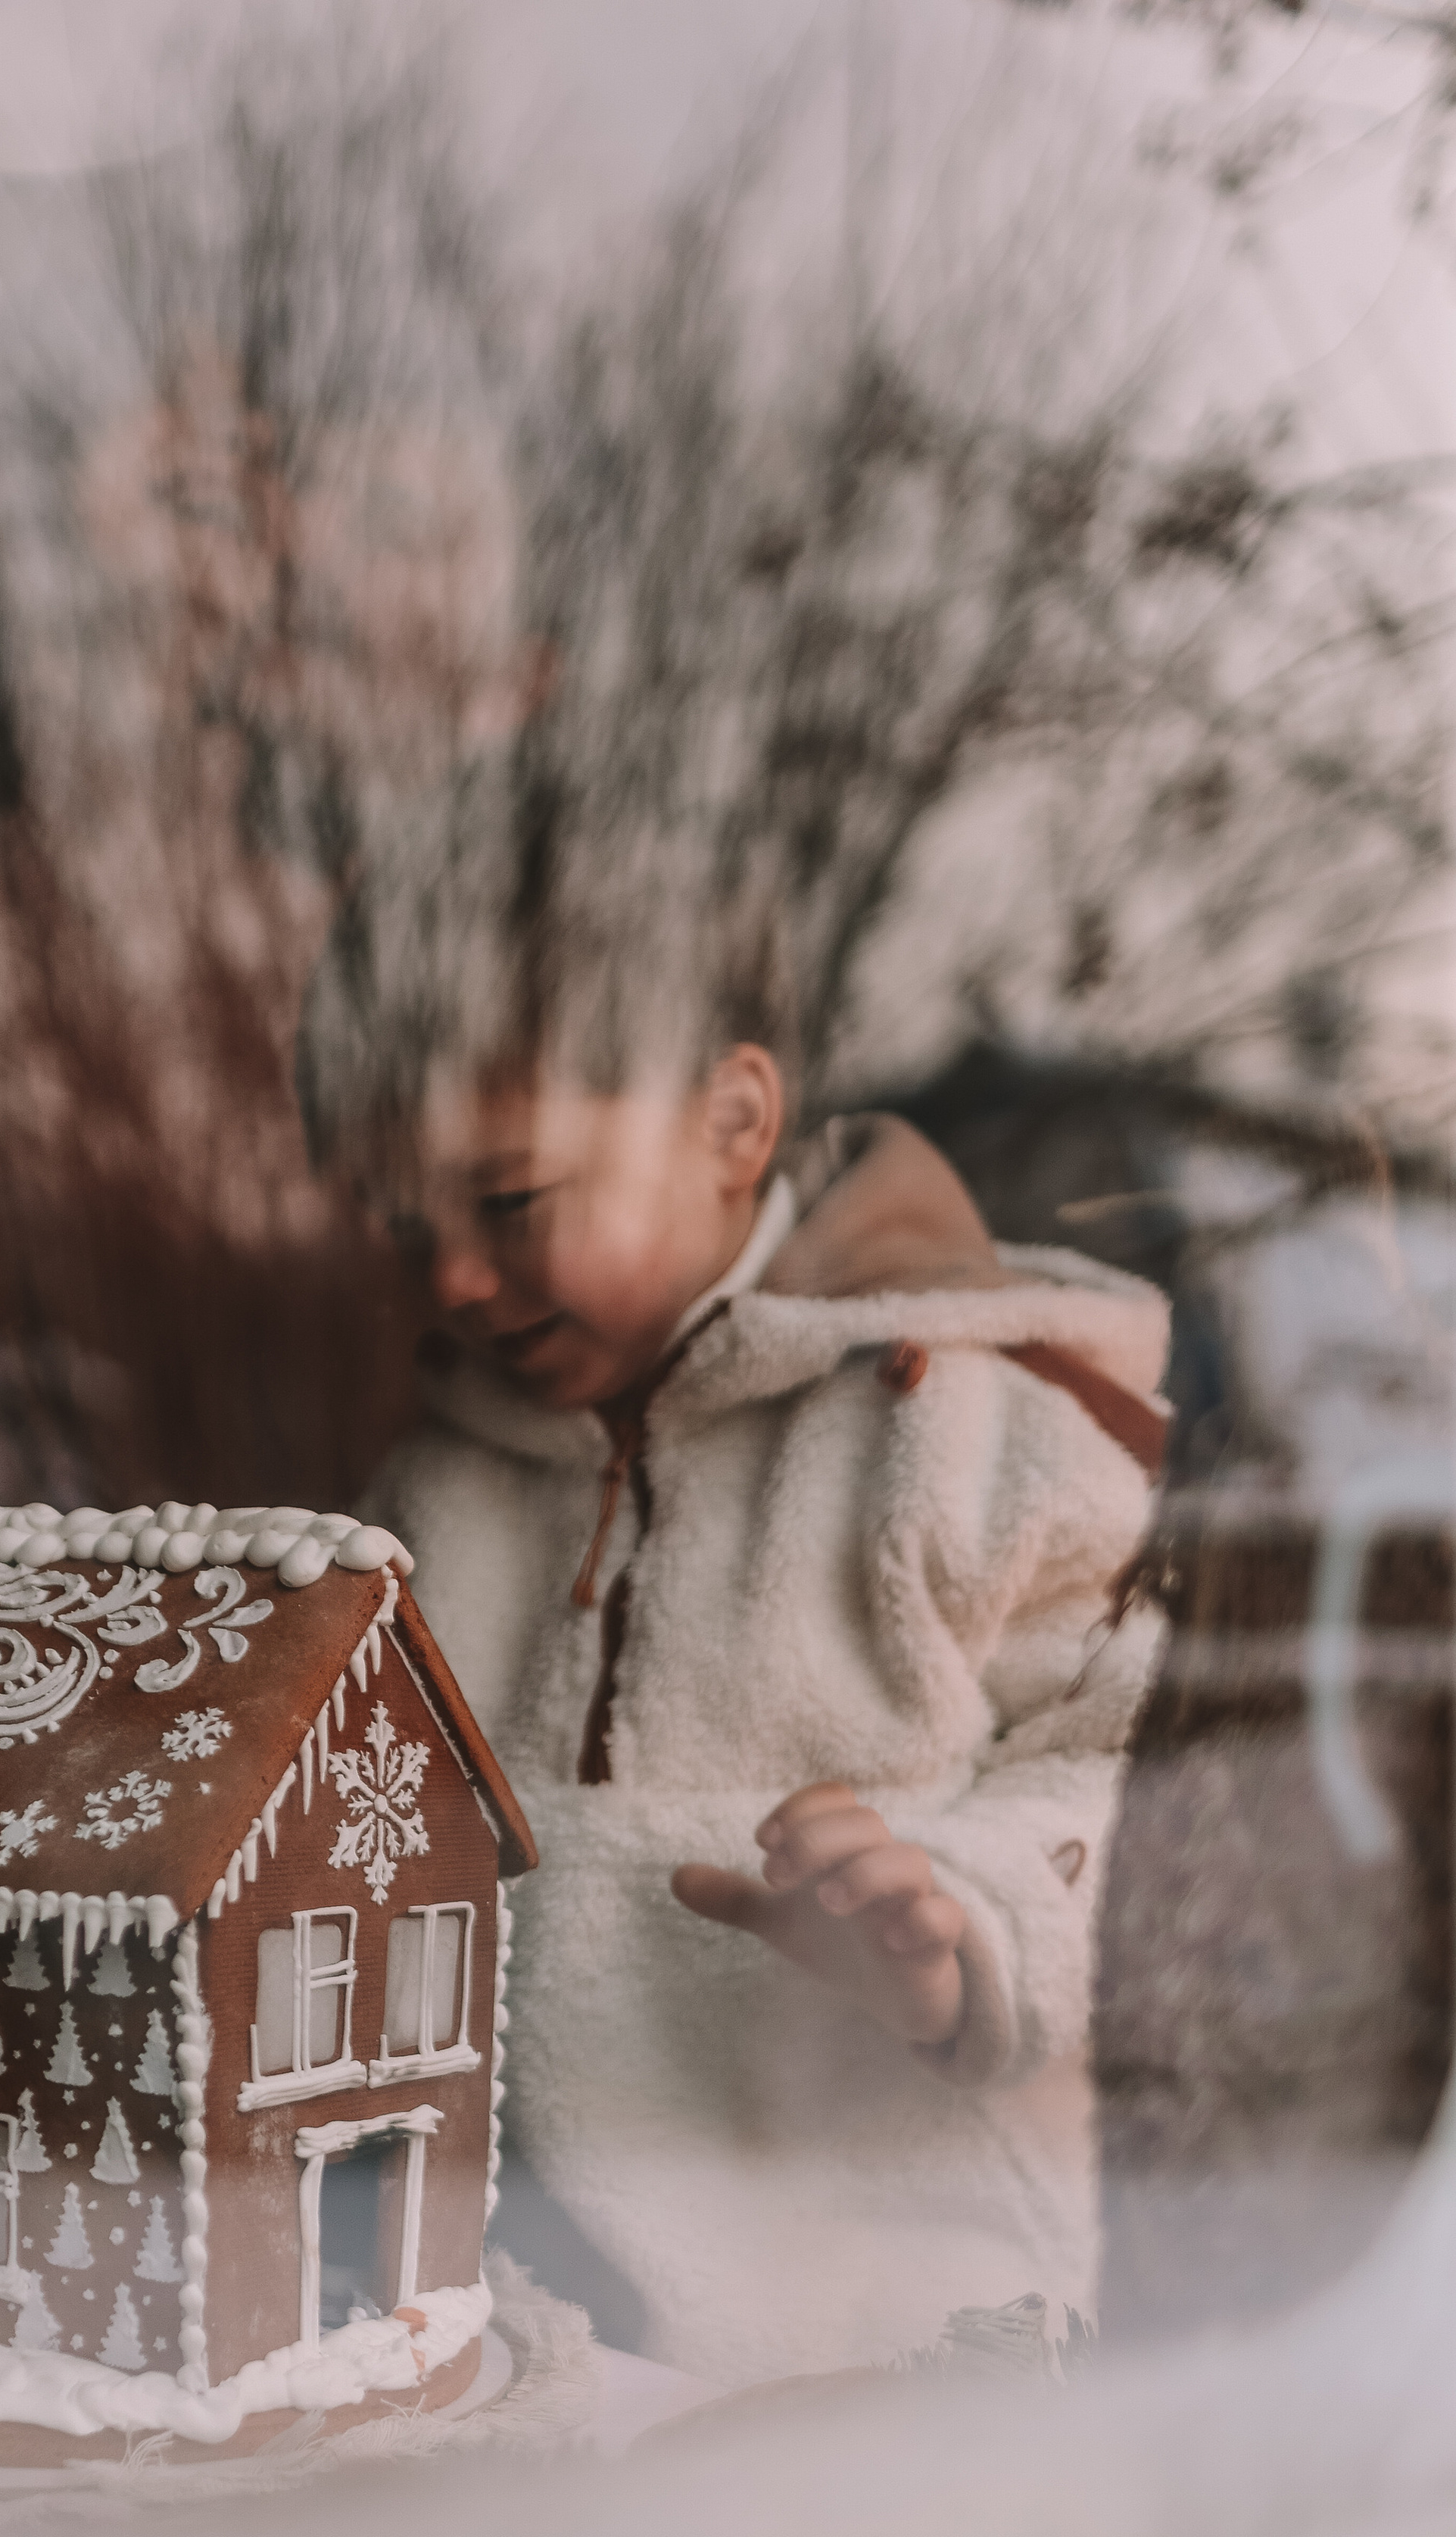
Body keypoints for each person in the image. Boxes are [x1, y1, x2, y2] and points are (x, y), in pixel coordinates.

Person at [301, 992, 1170, 2385]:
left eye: (510, 1202)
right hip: (503, 2318)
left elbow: (1132, 1763)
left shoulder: (982, 1433)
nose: (452, 1277)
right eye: (410, 1229)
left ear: (733, 1124)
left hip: (885, 2324)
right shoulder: (429, 1484)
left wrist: (959, 1929)